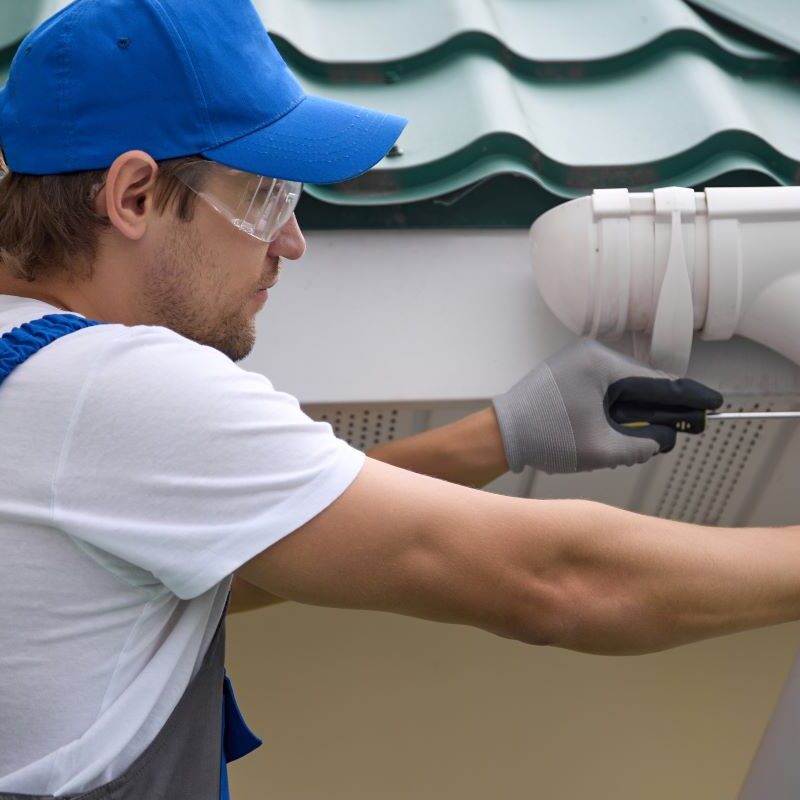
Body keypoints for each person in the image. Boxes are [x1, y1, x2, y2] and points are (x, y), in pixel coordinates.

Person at [0, 1, 798, 798]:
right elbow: (559, 581)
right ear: (134, 195)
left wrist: (502, 434)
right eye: (264, 196)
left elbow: (217, 568)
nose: (290, 242)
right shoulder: (112, 386)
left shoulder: (36, 390)